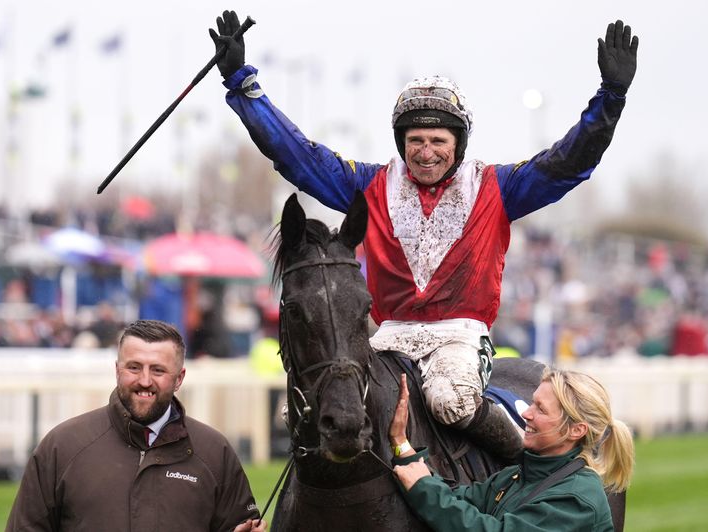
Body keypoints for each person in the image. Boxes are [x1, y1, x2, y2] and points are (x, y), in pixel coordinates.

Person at [212, 11, 638, 459]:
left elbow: (566, 163)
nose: (426, 152)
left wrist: (610, 99)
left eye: (438, 140)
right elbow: (298, 156)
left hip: (460, 335)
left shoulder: (497, 187)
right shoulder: (372, 185)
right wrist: (243, 85)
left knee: (448, 402)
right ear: (401, 143)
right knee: (325, 408)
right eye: (416, 140)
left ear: (458, 144)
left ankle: (526, 482)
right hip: (387, 334)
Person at [6, 319, 265, 532]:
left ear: (179, 378)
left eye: (158, 370)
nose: (144, 380)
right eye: (134, 367)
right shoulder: (63, 446)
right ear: (117, 369)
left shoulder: (214, 452)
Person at [391, 368, 634, 531]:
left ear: (576, 430)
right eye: (532, 403)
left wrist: (422, 488)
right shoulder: (516, 475)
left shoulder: (578, 499)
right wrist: (403, 447)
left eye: (541, 409)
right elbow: (456, 499)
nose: (526, 413)